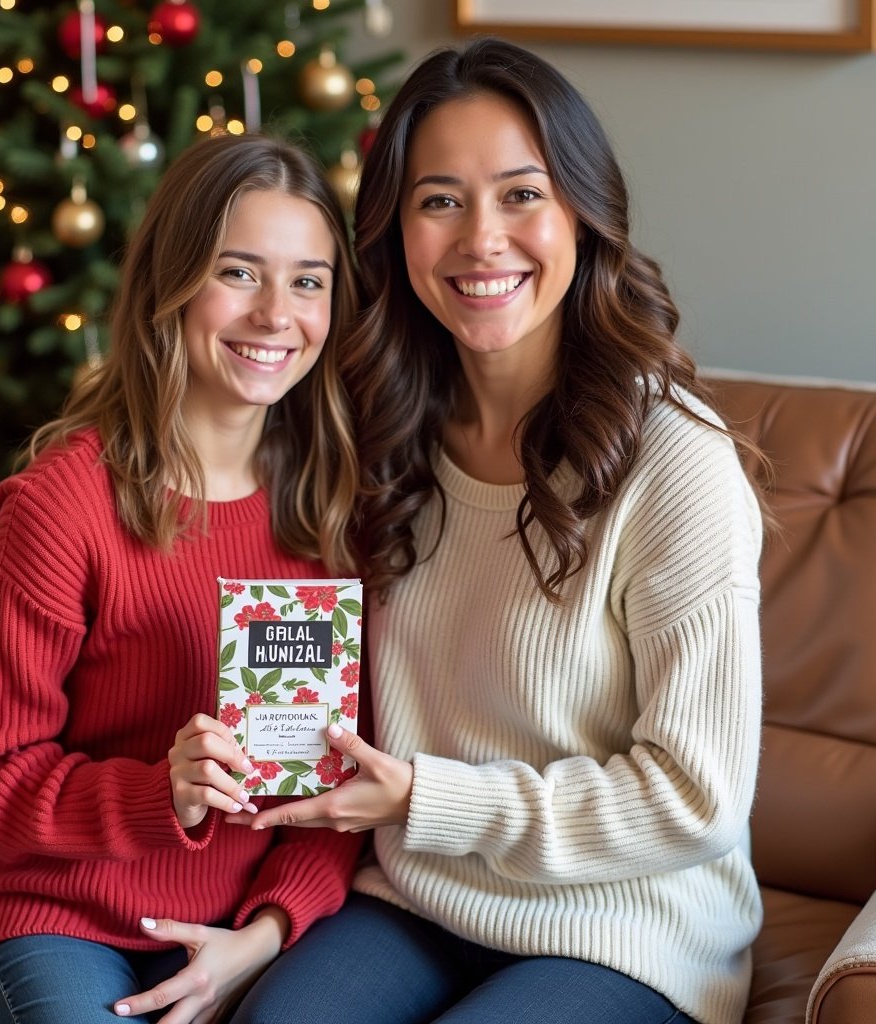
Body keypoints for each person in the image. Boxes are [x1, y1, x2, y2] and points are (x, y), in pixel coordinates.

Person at [225, 37, 767, 1024]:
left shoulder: (675, 458)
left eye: (521, 194)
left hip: (628, 924)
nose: (481, 239)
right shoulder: (378, 428)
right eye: (439, 200)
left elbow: (696, 798)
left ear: (581, 213)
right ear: (394, 230)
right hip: (420, 897)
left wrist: (427, 802)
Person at [0, 132, 364, 1024]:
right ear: (171, 285)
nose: (278, 314)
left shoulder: (333, 509)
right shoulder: (61, 507)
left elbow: (337, 798)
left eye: (308, 280)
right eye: (239, 273)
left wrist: (269, 930)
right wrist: (154, 792)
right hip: (63, 921)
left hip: (250, 930)